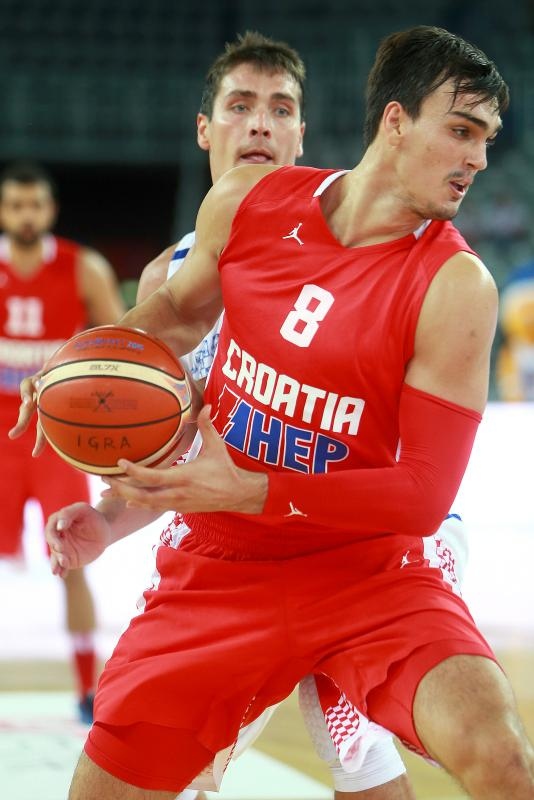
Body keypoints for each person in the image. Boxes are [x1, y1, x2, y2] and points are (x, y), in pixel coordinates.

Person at [15, 25, 534, 799]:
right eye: (461, 130)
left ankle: (352, 706)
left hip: (371, 567)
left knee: (500, 759)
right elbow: (177, 317)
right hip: (222, 565)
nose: (479, 160)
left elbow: (425, 495)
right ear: (395, 121)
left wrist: (253, 490)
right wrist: (82, 354)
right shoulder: (247, 206)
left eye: (487, 139)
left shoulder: (458, 285)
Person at [0, 161, 126, 723]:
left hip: (53, 439)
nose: (25, 215)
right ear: (4, 211)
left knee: (72, 558)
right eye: (15, 205)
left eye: (35, 205)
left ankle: (86, 687)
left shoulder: (84, 269)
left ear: (49, 210)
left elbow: (124, 344)